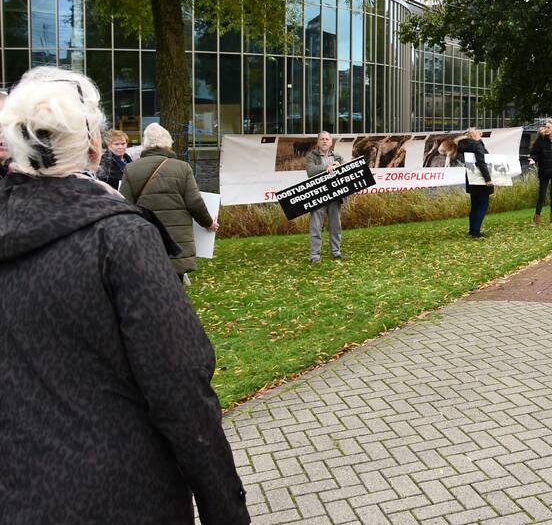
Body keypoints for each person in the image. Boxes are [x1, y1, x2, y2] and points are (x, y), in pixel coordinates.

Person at [0, 67, 248, 524]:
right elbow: (179, 387)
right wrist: (225, 508)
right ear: (93, 143)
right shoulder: (120, 239)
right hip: (121, 495)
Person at [122, 123, 219, 280]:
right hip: (176, 242)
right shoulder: (182, 168)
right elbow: (195, 202)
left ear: (145, 143)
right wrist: (208, 223)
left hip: (146, 238)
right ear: (168, 143)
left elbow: (124, 207)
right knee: (175, 288)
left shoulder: (130, 169)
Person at [304, 131, 345, 262]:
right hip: (318, 196)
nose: (325, 141)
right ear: (318, 142)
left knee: (335, 225)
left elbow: (347, 167)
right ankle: (315, 255)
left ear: (331, 142)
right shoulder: (311, 156)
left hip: (335, 196)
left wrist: (339, 166)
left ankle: (336, 252)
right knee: (316, 226)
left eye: (327, 139)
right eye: (322, 139)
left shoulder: (337, 156)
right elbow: (311, 171)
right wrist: (327, 167)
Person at [458, 127, 494, 237]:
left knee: (475, 206)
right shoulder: (477, 145)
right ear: (475, 135)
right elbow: (481, 162)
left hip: (471, 179)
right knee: (482, 206)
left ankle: (473, 230)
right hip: (480, 180)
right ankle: (476, 232)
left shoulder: (465, 146)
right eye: (479, 134)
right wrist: (488, 179)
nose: (480, 136)